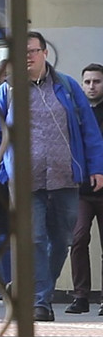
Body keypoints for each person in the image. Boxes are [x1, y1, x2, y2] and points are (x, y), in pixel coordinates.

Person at [0, 32, 103, 321]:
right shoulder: (6, 92)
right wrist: (2, 171)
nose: (27, 57)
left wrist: (96, 167)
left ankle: (38, 291)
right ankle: (40, 301)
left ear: (45, 53)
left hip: (65, 176)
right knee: (34, 238)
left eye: (33, 51)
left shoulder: (68, 87)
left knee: (62, 238)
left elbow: (89, 130)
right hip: (25, 180)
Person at [67, 63, 103, 314]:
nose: (91, 86)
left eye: (97, 81)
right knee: (78, 239)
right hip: (81, 189)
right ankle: (81, 295)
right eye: (87, 81)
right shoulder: (76, 112)